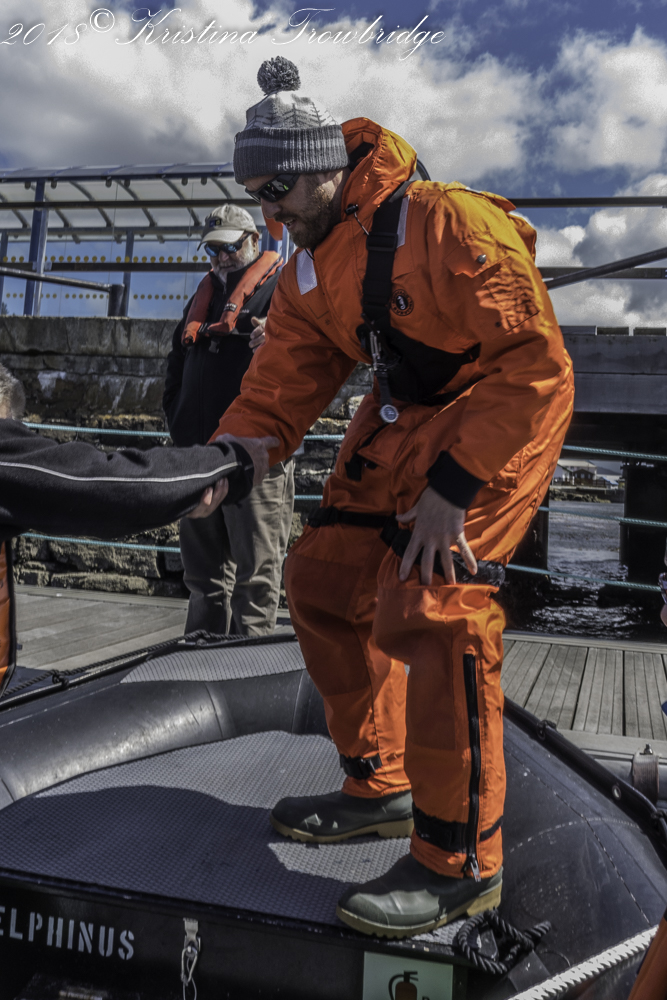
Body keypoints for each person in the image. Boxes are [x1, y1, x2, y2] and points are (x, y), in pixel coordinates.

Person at [214, 55, 575, 937]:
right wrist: (225, 461)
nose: (272, 212)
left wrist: (454, 487)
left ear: (322, 164)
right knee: (321, 579)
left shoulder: (448, 220)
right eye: (257, 195)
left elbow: (534, 365)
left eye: (278, 188)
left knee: (438, 605)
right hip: (401, 416)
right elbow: (281, 385)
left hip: (496, 413)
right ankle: (379, 782)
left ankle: (460, 863)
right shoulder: (304, 270)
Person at [0, 363, 277, 697]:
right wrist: (226, 460)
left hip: (218, 458)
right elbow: (98, 482)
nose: (15, 438)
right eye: (10, 427)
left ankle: (246, 677)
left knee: (252, 579)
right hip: (218, 455)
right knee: (209, 582)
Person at [163, 204, 295, 637]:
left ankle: (246, 669)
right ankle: (199, 661)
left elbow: (315, 354)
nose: (221, 258)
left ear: (254, 241)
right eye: (213, 250)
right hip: (199, 456)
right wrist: (179, 421)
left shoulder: (283, 291)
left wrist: (276, 336)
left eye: (229, 248)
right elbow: (176, 362)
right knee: (203, 579)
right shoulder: (201, 298)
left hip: (255, 459)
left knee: (256, 581)